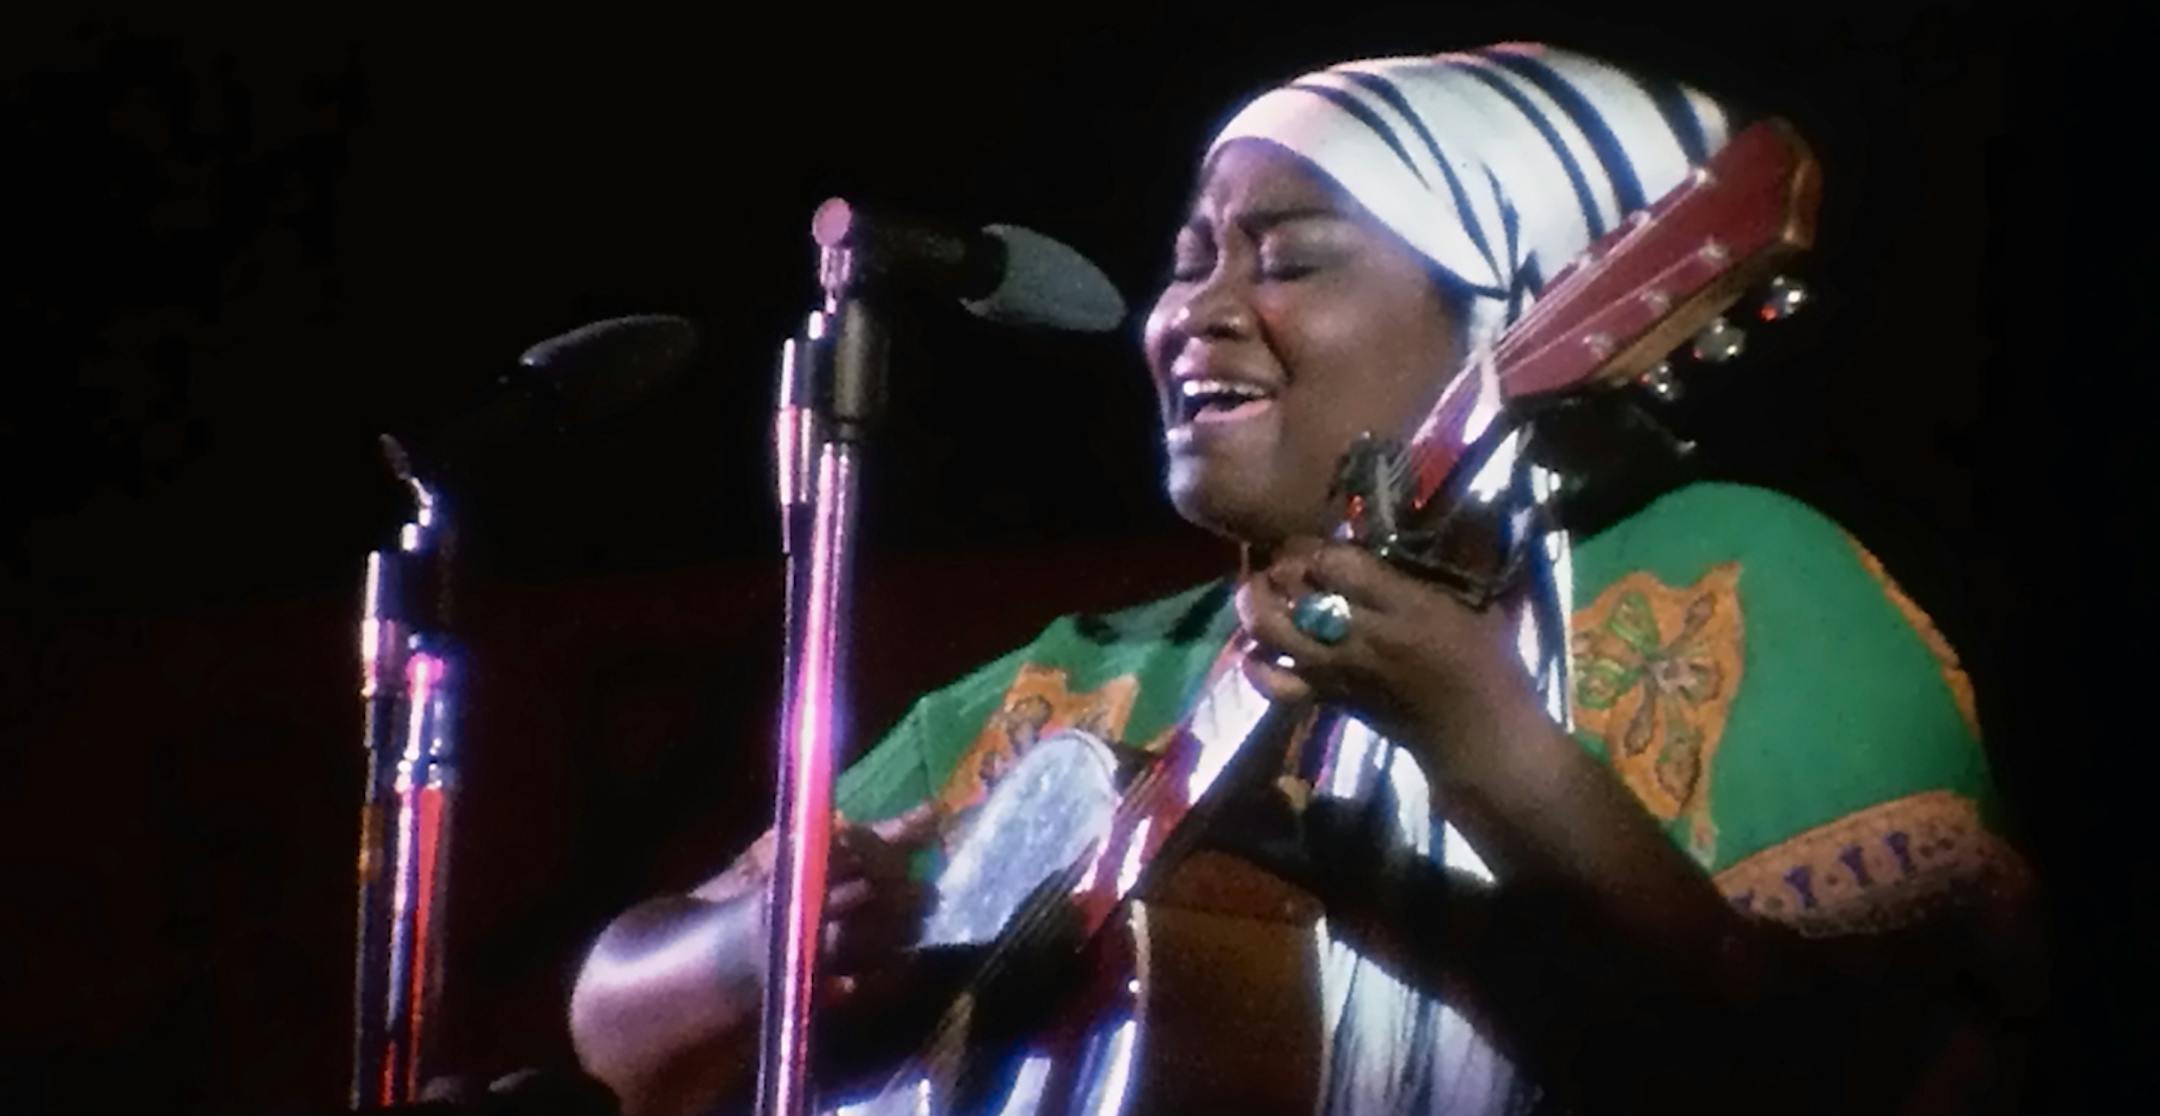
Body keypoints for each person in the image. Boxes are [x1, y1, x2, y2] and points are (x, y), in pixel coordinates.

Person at [567, 43, 2037, 1116]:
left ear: (1508, 310)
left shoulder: (1723, 578)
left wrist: (1486, 742)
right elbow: (614, 1025)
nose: (1191, 314)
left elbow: (1873, 1068)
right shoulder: (1066, 682)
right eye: (1193, 259)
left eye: (1288, 261)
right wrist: (760, 947)